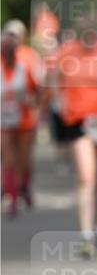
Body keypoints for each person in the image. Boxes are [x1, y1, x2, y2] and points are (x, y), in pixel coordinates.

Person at [55, 14, 97, 256]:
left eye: (94, 37)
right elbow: (57, 80)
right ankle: (85, 235)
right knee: (85, 177)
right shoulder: (67, 52)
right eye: (86, 38)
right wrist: (60, 102)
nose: (90, 42)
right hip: (79, 120)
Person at [1, 21, 44, 216]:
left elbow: (40, 87)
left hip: (25, 117)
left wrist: (35, 104)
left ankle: (24, 185)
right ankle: (12, 197)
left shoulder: (28, 59)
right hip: (4, 118)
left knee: (24, 159)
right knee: (8, 157)